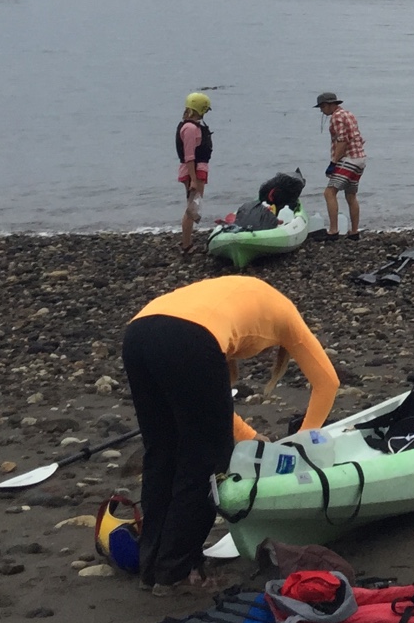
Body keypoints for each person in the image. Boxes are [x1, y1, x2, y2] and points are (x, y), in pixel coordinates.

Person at [121, 276, 339, 589]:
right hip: (190, 336)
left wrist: (252, 439)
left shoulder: (237, 299)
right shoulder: (288, 316)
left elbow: (216, 408)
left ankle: (151, 567)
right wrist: (301, 444)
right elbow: (327, 382)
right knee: (207, 462)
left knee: (162, 453)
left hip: (139, 332)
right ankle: (176, 573)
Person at [314, 92, 366, 241]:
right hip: (360, 158)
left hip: (348, 159)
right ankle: (354, 231)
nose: (321, 110)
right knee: (351, 195)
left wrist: (333, 163)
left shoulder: (336, 117)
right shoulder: (349, 114)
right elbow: (357, 137)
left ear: (331, 104)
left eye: (323, 106)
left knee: (329, 193)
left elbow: (342, 141)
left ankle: (333, 231)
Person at [175, 93, 213, 256]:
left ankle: (186, 240)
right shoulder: (190, 129)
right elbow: (189, 156)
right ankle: (186, 246)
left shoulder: (192, 125)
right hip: (194, 172)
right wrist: (193, 180)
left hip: (197, 171)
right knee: (193, 208)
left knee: (194, 207)